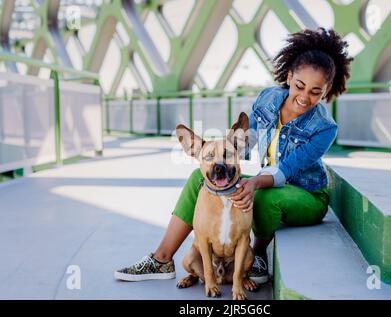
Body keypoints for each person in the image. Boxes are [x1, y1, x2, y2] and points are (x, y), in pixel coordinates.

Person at [114, 28, 353, 284]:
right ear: (290, 76)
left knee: (263, 194)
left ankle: (257, 254)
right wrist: (219, 154)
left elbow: (287, 169)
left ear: (327, 89)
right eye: (300, 86)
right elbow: (244, 142)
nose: (305, 97)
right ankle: (161, 259)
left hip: (306, 195)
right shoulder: (269, 99)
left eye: (316, 92)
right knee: (200, 177)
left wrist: (251, 183)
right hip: (266, 180)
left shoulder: (325, 128)